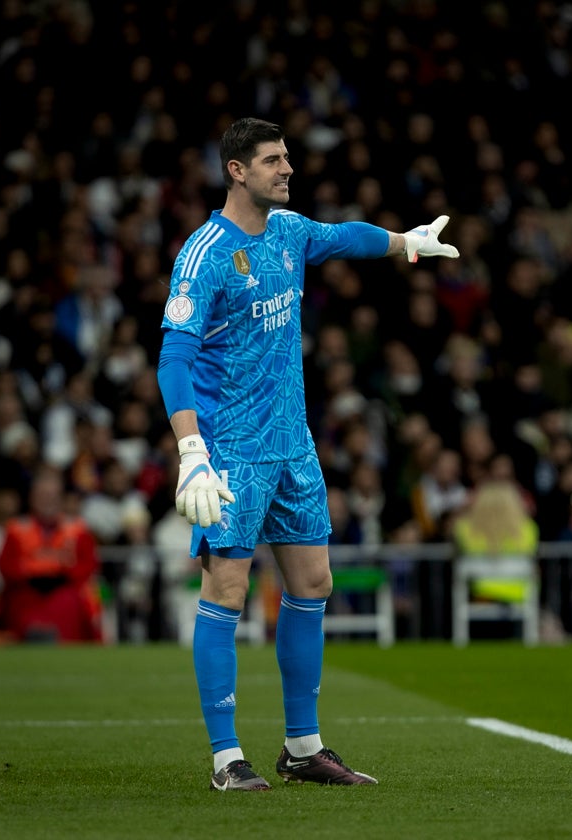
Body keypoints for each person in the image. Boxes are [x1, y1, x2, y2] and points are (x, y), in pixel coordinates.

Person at [155, 117, 458, 791]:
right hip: (230, 450)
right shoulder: (204, 254)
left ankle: (302, 747)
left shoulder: (290, 233)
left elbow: (343, 236)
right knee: (227, 590)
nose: (287, 169)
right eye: (272, 160)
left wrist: (406, 242)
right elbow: (173, 358)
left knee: (313, 583)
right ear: (237, 171)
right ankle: (227, 757)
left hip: (293, 445)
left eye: (287, 157)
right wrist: (191, 450)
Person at [0, 466, 104, 643]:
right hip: (26, 594)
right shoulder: (17, 529)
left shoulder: (78, 530)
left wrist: (61, 573)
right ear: (32, 498)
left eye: (52, 496)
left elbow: (88, 565)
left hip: (66, 592)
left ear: (61, 499)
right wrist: (32, 572)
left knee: (88, 597)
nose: (47, 501)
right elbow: (6, 565)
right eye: (42, 496)